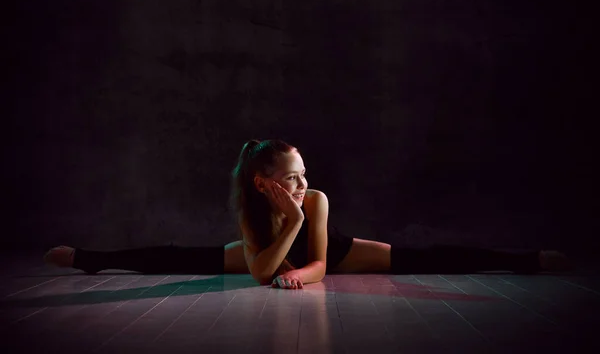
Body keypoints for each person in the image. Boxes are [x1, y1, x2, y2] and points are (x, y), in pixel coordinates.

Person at [44, 139, 573, 289]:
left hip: (329, 251)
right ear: (262, 182)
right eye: (291, 178)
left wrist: (299, 249)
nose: (302, 184)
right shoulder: (253, 213)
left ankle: (528, 259)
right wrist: (285, 234)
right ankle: (89, 259)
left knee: (424, 256)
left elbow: (321, 265)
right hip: (271, 253)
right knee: (180, 260)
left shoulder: (315, 201)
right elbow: (258, 273)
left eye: (304, 173)